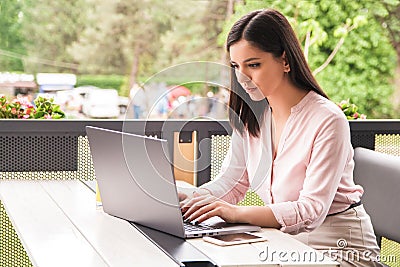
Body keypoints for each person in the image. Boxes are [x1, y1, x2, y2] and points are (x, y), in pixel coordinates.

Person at [180, 9, 382, 267]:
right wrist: (188, 198)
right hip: (284, 243)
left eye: (253, 65)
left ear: (285, 61)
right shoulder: (253, 117)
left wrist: (235, 213)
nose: (242, 78)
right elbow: (233, 183)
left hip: (339, 246)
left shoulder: (328, 119)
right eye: (235, 66)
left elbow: (311, 210)